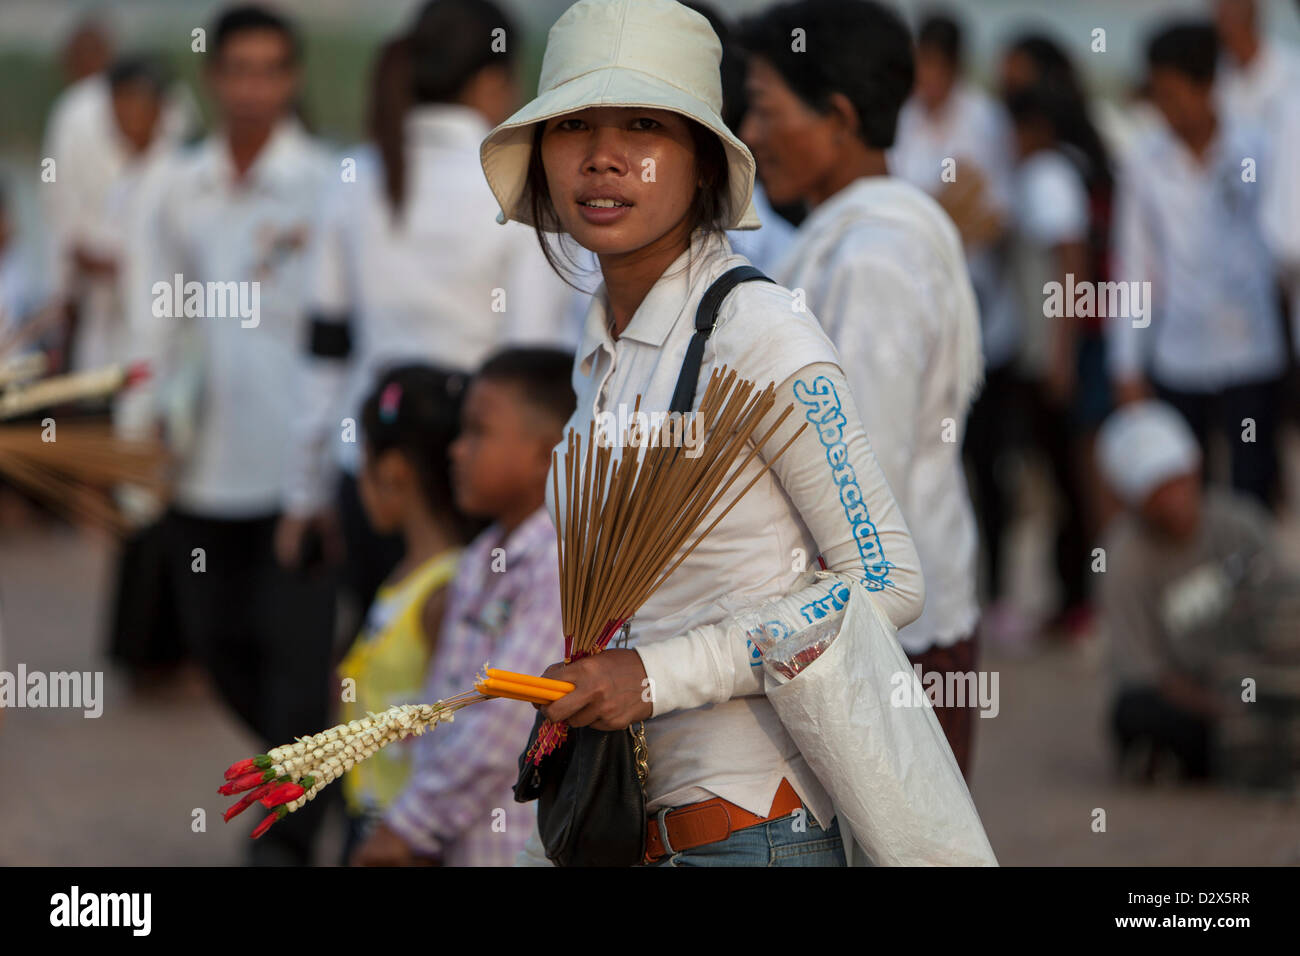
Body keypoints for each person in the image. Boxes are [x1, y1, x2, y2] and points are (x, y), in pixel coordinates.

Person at [482, 0, 924, 867]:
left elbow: (887, 582)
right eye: (573, 125)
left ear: (704, 162)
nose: (603, 155)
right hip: (634, 819)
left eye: (644, 125)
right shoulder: (602, 342)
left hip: (754, 825)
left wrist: (658, 677)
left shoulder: (759, 335)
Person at [737, 0, 982, 776]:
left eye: (767, 110)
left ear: (838, 117)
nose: (750, 133)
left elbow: (860, 470)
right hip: (889, 627)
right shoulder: (852, 239)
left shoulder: (869, 261)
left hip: (889, 644)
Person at [277, 0, 577, 616]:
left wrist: (304, 497)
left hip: (372, 471)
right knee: (460, 688)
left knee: (379, 683)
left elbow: (324, 352)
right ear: (491, 82)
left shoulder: (353, 176)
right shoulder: (520, 184)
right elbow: (531, 359)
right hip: (477, 484)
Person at [128, 4, 338, 865]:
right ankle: (329, 771)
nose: (253, 88)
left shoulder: (329, 184)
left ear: (292, 79)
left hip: (300, 479)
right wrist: (142, 429)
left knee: (294, 674)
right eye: (237, 70)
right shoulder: (176, 186)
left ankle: (282, 848)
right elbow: (152, 324)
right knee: (222, 658)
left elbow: (341, 332)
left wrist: (331, 463)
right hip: (201, 468)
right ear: (213, 78)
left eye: (270, 70)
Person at [351, 348, 573, 867]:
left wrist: (409, 828)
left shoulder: (558, 563)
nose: (456, 451)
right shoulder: (478, 561)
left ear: (549, 454)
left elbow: (505, 720)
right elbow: (442, 708)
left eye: (477, 433)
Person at [1108, 22, 1286, 510]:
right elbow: (1134, 267)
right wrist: (1126, 363)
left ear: (1207, 85)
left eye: (1173, 94)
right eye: (1157, 96)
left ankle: (1255, 584)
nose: (1164, 109)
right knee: (1187, 497)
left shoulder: (1258, 150)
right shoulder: (1144, 163)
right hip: (1178, 356)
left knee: (1253, 491)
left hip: (1251, 352)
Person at [889, 11, 1023, 637]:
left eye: (933, 67)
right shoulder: (905, 119)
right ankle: (917, 591)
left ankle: (994, 592)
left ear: (953, 67)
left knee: (986, 464)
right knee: (925, 456)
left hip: (980, 319)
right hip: (915, 316)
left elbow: (1001, 212)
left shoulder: (985, 121)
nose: (925, 80)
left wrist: (948, 221)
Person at [336, 364, 481, 861]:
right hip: (375, 814)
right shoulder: (405, 576)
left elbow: (461, 735)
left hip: (410, 838)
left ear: (393, 472)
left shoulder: (444, 594)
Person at [1097, 400, 1276, 782]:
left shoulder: (1239, 523)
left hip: (1255, 681)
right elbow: (1144, 671)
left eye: (1178, 481)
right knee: (1134, 712)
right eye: (1158, 491)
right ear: (1135, 501)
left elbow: (1282, 608)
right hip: (1188, 699)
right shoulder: (1123, 559)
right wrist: (1222, 709)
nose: (1175, 500)